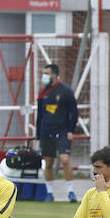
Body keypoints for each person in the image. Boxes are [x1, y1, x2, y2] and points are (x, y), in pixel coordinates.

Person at [35, 62, 78, 202]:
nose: (44, 76)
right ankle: (49, 192)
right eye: (44, 74)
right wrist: (38, 133)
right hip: (46, 132)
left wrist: (71, 130)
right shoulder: (43, 92)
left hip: (62, 130)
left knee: (65, 159)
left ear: (54, 74)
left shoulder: (65, 90)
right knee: (48, 163)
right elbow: (40, 114)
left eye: (47, 74)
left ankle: (71, 192)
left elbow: (74, 111)